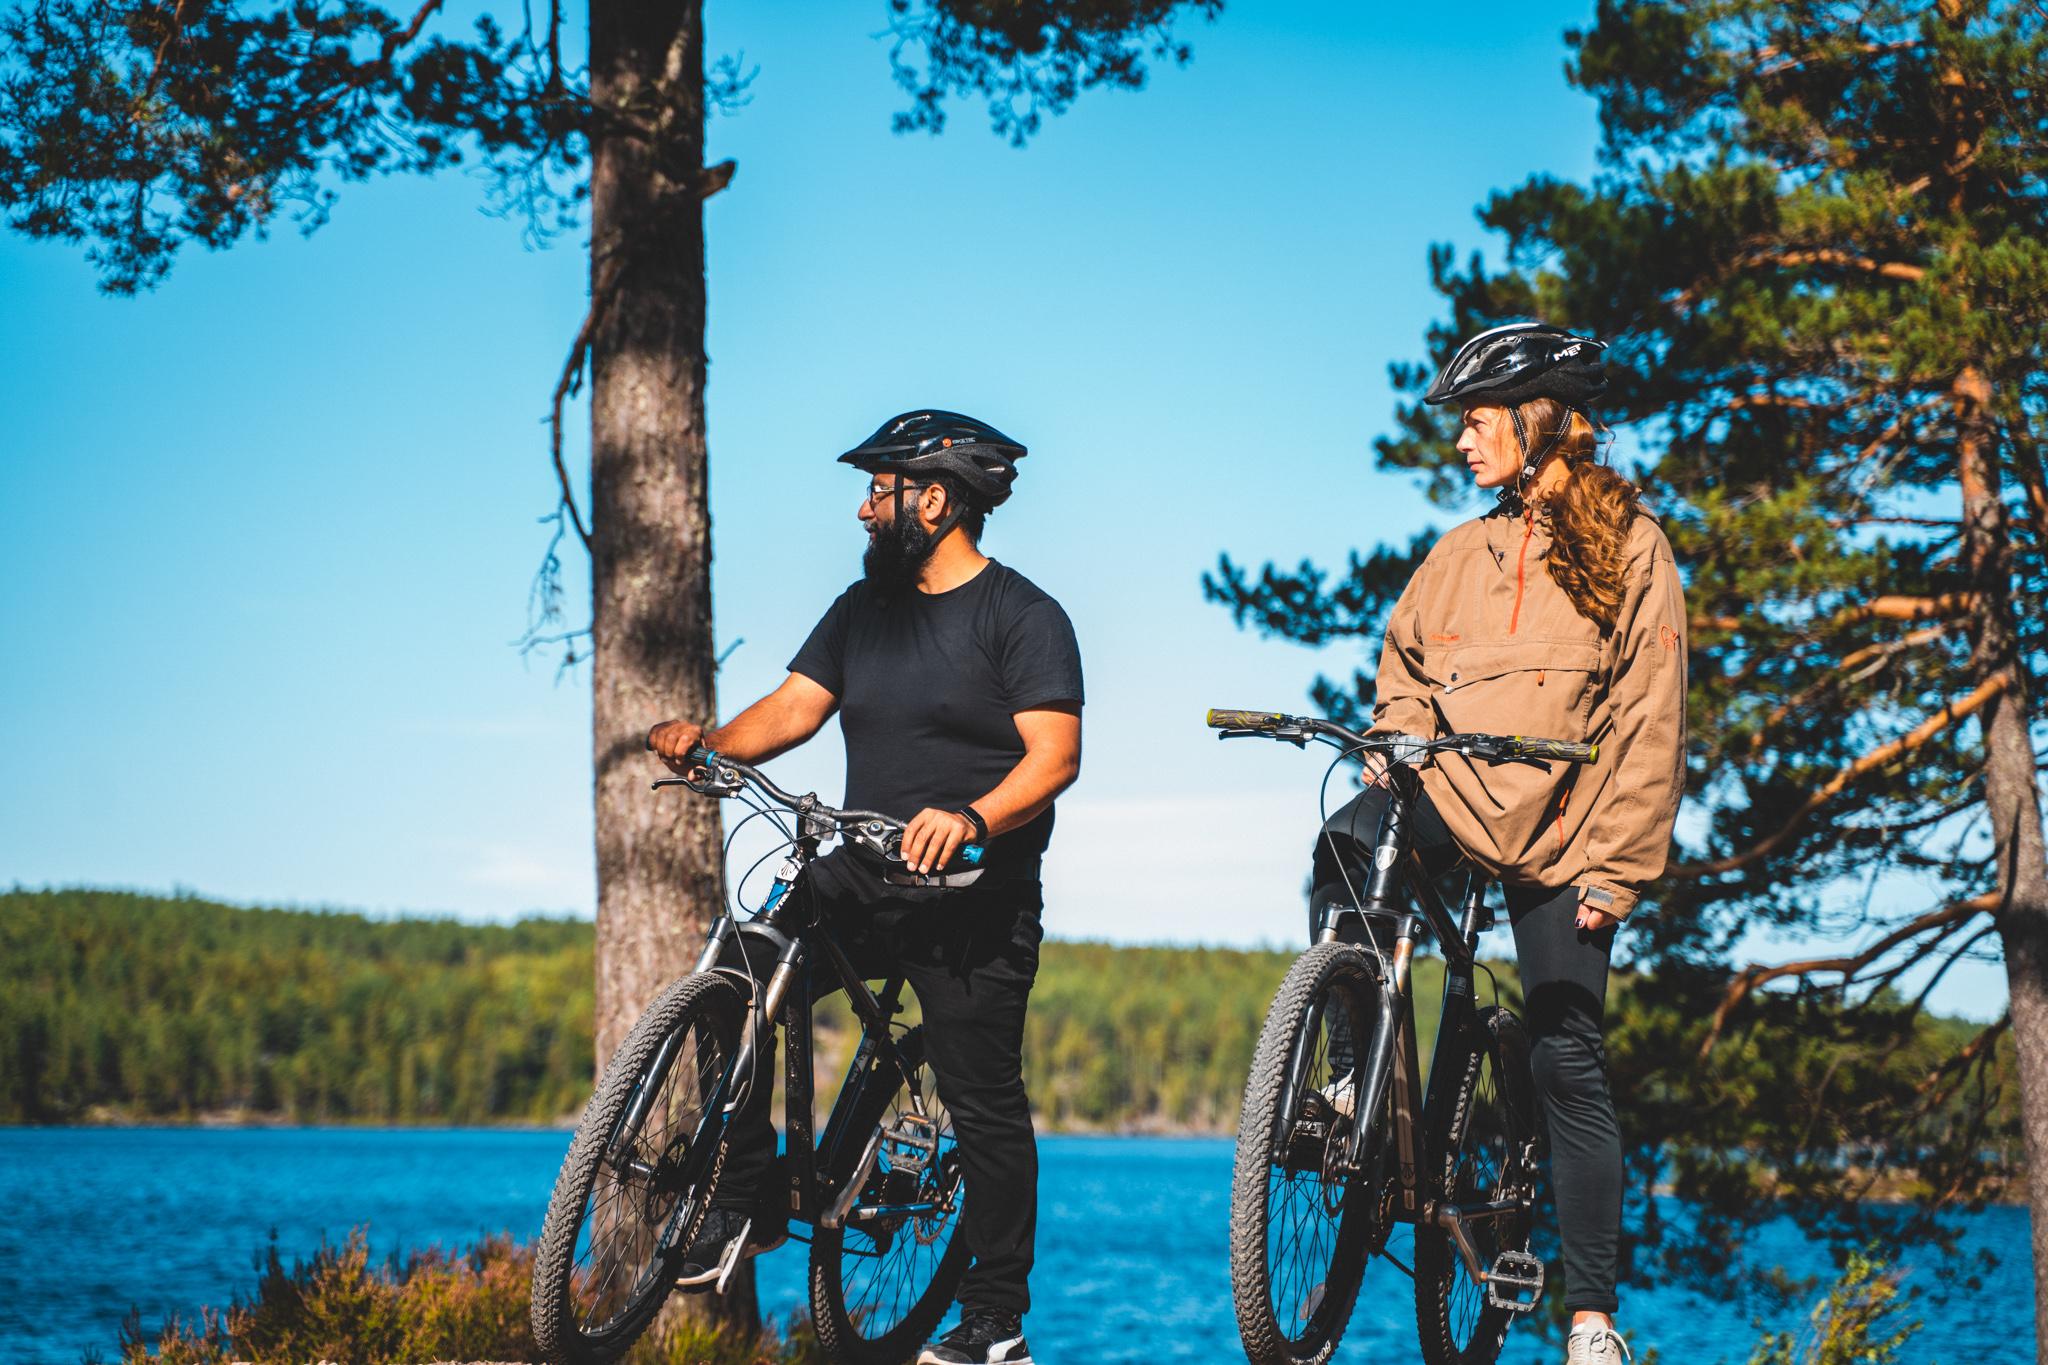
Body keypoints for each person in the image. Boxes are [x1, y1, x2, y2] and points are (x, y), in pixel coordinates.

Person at [647, 409, 1082, 1365]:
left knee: (984, 1101)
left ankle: (995, 1318)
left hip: (978, 896)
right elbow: (794, 708)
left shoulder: (1024, 616)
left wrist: (972, 817)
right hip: (864, 873)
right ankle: (747, 1194)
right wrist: (710, 744)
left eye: (879, 492)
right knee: (740, 971)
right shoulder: (862, 610)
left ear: (934, 501)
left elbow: (1055, 757)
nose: (862, 510)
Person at [1311, 324, 1685, 1365]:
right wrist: (1398, 735)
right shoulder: (1458, 553)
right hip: (1453, 796)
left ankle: (1591, 1321)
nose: (1462, 441)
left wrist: (1617, 870)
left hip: (1567, 831)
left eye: (1477, 421)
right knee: (1343, 845)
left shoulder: (1634, 547)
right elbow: (1403, 663)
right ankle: (1349, 1079)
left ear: (1539, 420)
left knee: (1567, 1059)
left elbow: (1650, 719)